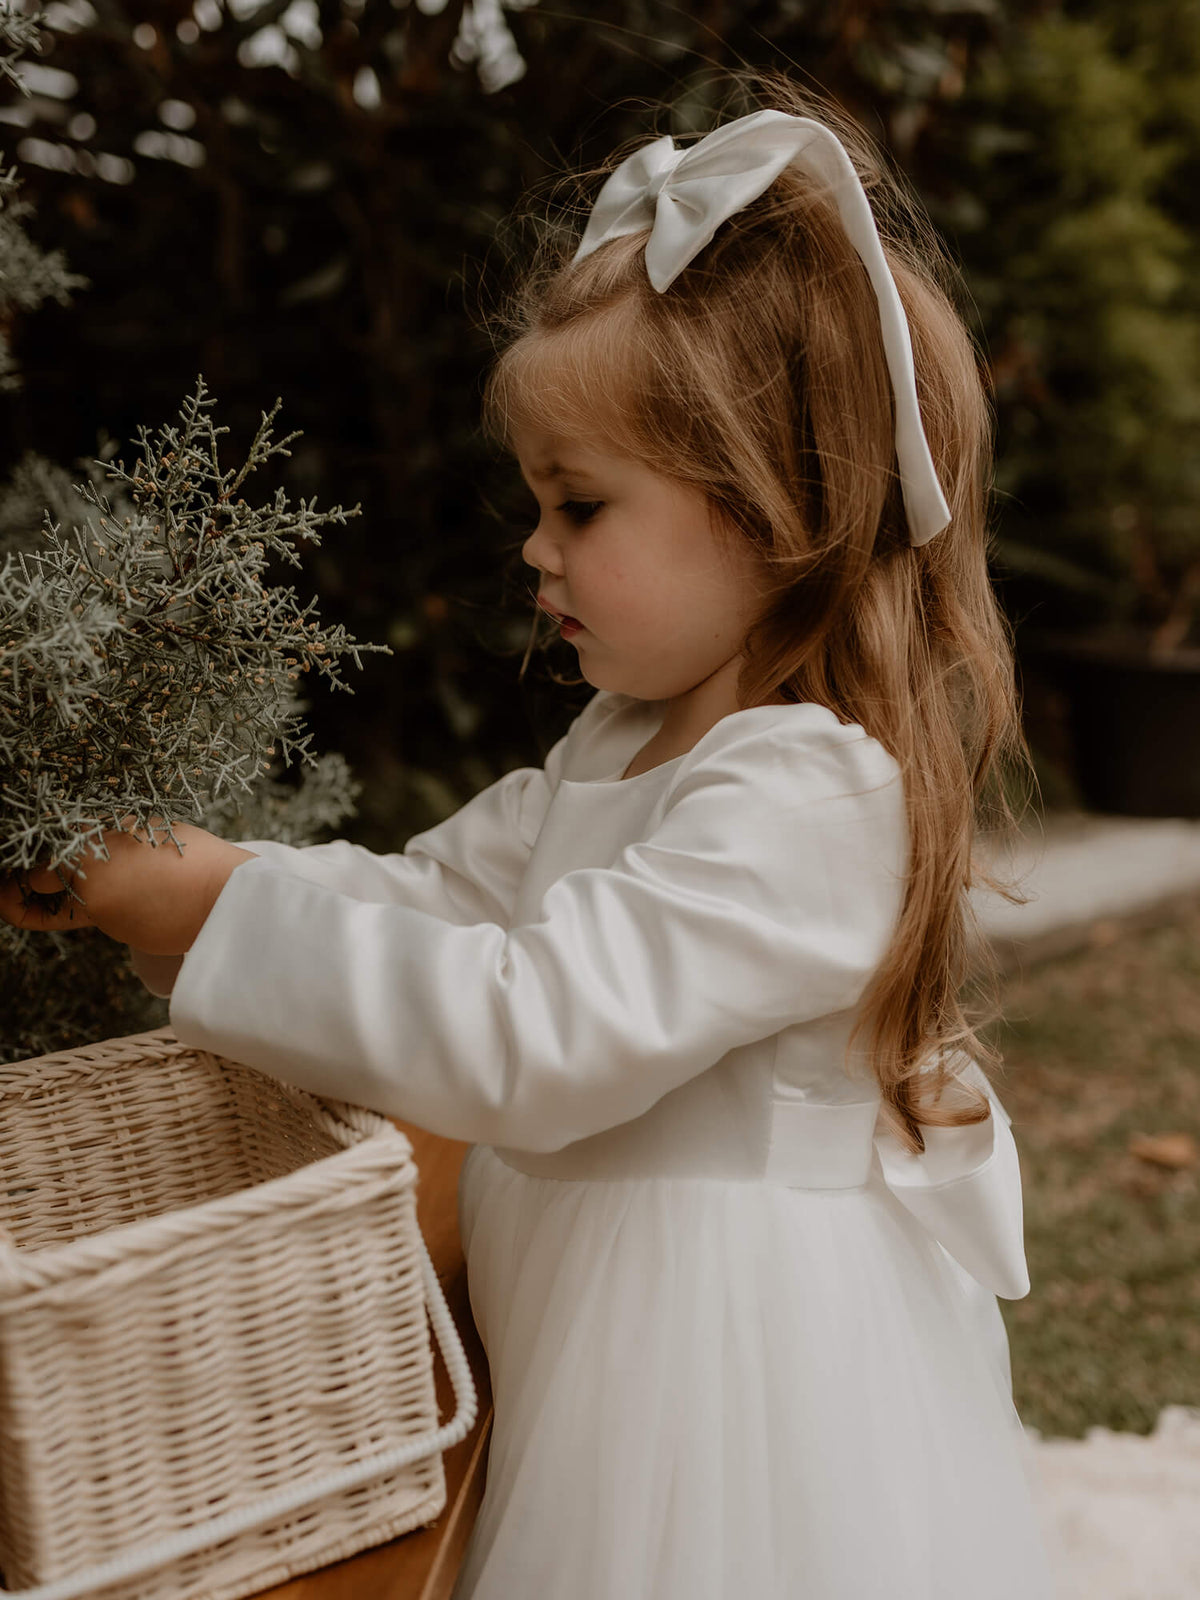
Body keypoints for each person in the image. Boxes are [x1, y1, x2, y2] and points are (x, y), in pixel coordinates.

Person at [0, 84, 1057, 1600]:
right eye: (534, 501)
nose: (534, 548)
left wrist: (225, 905)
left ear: (774, 512)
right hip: (585, 1323)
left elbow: (538, 1038)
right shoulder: (616, 748)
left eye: (581, 505)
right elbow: (426, 898)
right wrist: (181, 893)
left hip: (721, 1374)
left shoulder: (811, 798)